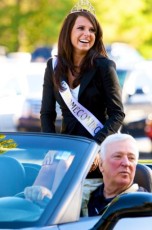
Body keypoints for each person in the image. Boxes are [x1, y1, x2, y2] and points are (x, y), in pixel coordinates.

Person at [40, 0, 125, 149]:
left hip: (98, 147)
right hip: (67, 147)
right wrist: (51, 147)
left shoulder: (105, 66)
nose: (87, 34)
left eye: (92, 30)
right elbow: (47, 113)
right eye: (81, 28)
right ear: (68, 32)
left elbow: (117, 114)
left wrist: (95, 146)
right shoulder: (53, 66)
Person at [87, 133, 147, 217]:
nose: (126, 163)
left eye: (131, 158)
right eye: (118, 156)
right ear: (101, 165)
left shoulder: (143, 205)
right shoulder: (86, 197)